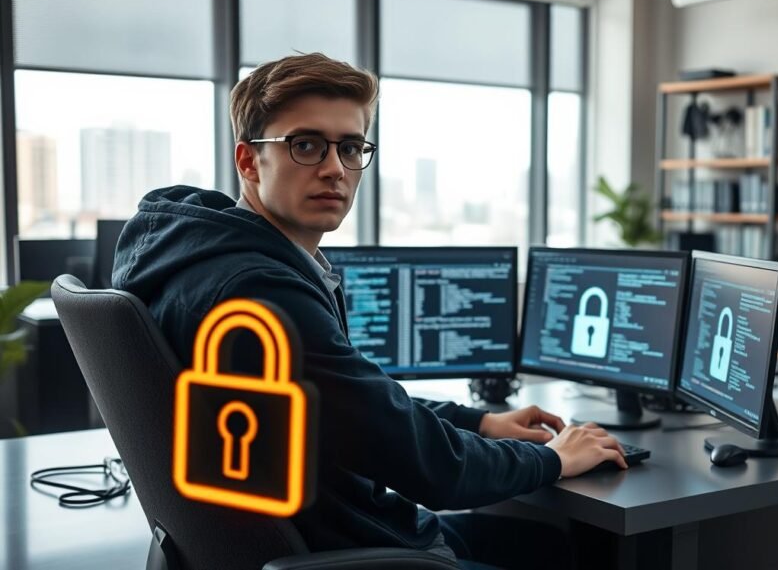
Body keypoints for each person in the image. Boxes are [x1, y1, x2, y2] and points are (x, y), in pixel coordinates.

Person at [113, 52, 626, 570]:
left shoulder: (204, 255)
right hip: (352, 550)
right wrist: (555, 457)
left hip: (320, 532)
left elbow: (361, 407)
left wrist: (482, 421)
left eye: (352, 147)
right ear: (249, 161)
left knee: (547, 545)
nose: (335, 169)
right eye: (306, 145)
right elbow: (430, 470)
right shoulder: (261, 293)